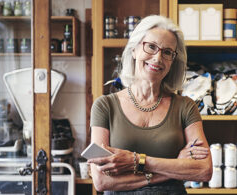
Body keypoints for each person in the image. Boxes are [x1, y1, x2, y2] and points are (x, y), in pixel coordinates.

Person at [88, 15, 212, 194]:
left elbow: (203, 170)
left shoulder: (185, 106)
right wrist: (174, 168)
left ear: (172, 62)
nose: (158, 57)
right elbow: (101, 180)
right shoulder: (105, 106)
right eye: (151, 47)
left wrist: (136, 160)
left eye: (167, 52)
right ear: (134, 50)